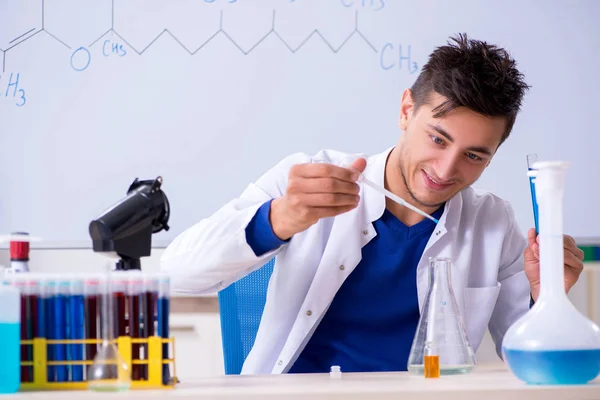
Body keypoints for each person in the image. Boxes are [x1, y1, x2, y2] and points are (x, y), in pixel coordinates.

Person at [160, 33, 584, 374]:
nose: (445, 169)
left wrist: (546, 297)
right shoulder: (310, 177)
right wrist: (280, 218)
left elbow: (527, 361)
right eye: (438, 138)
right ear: (406, 111)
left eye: (474, 156)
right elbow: (177, 274)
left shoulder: (492, 221)